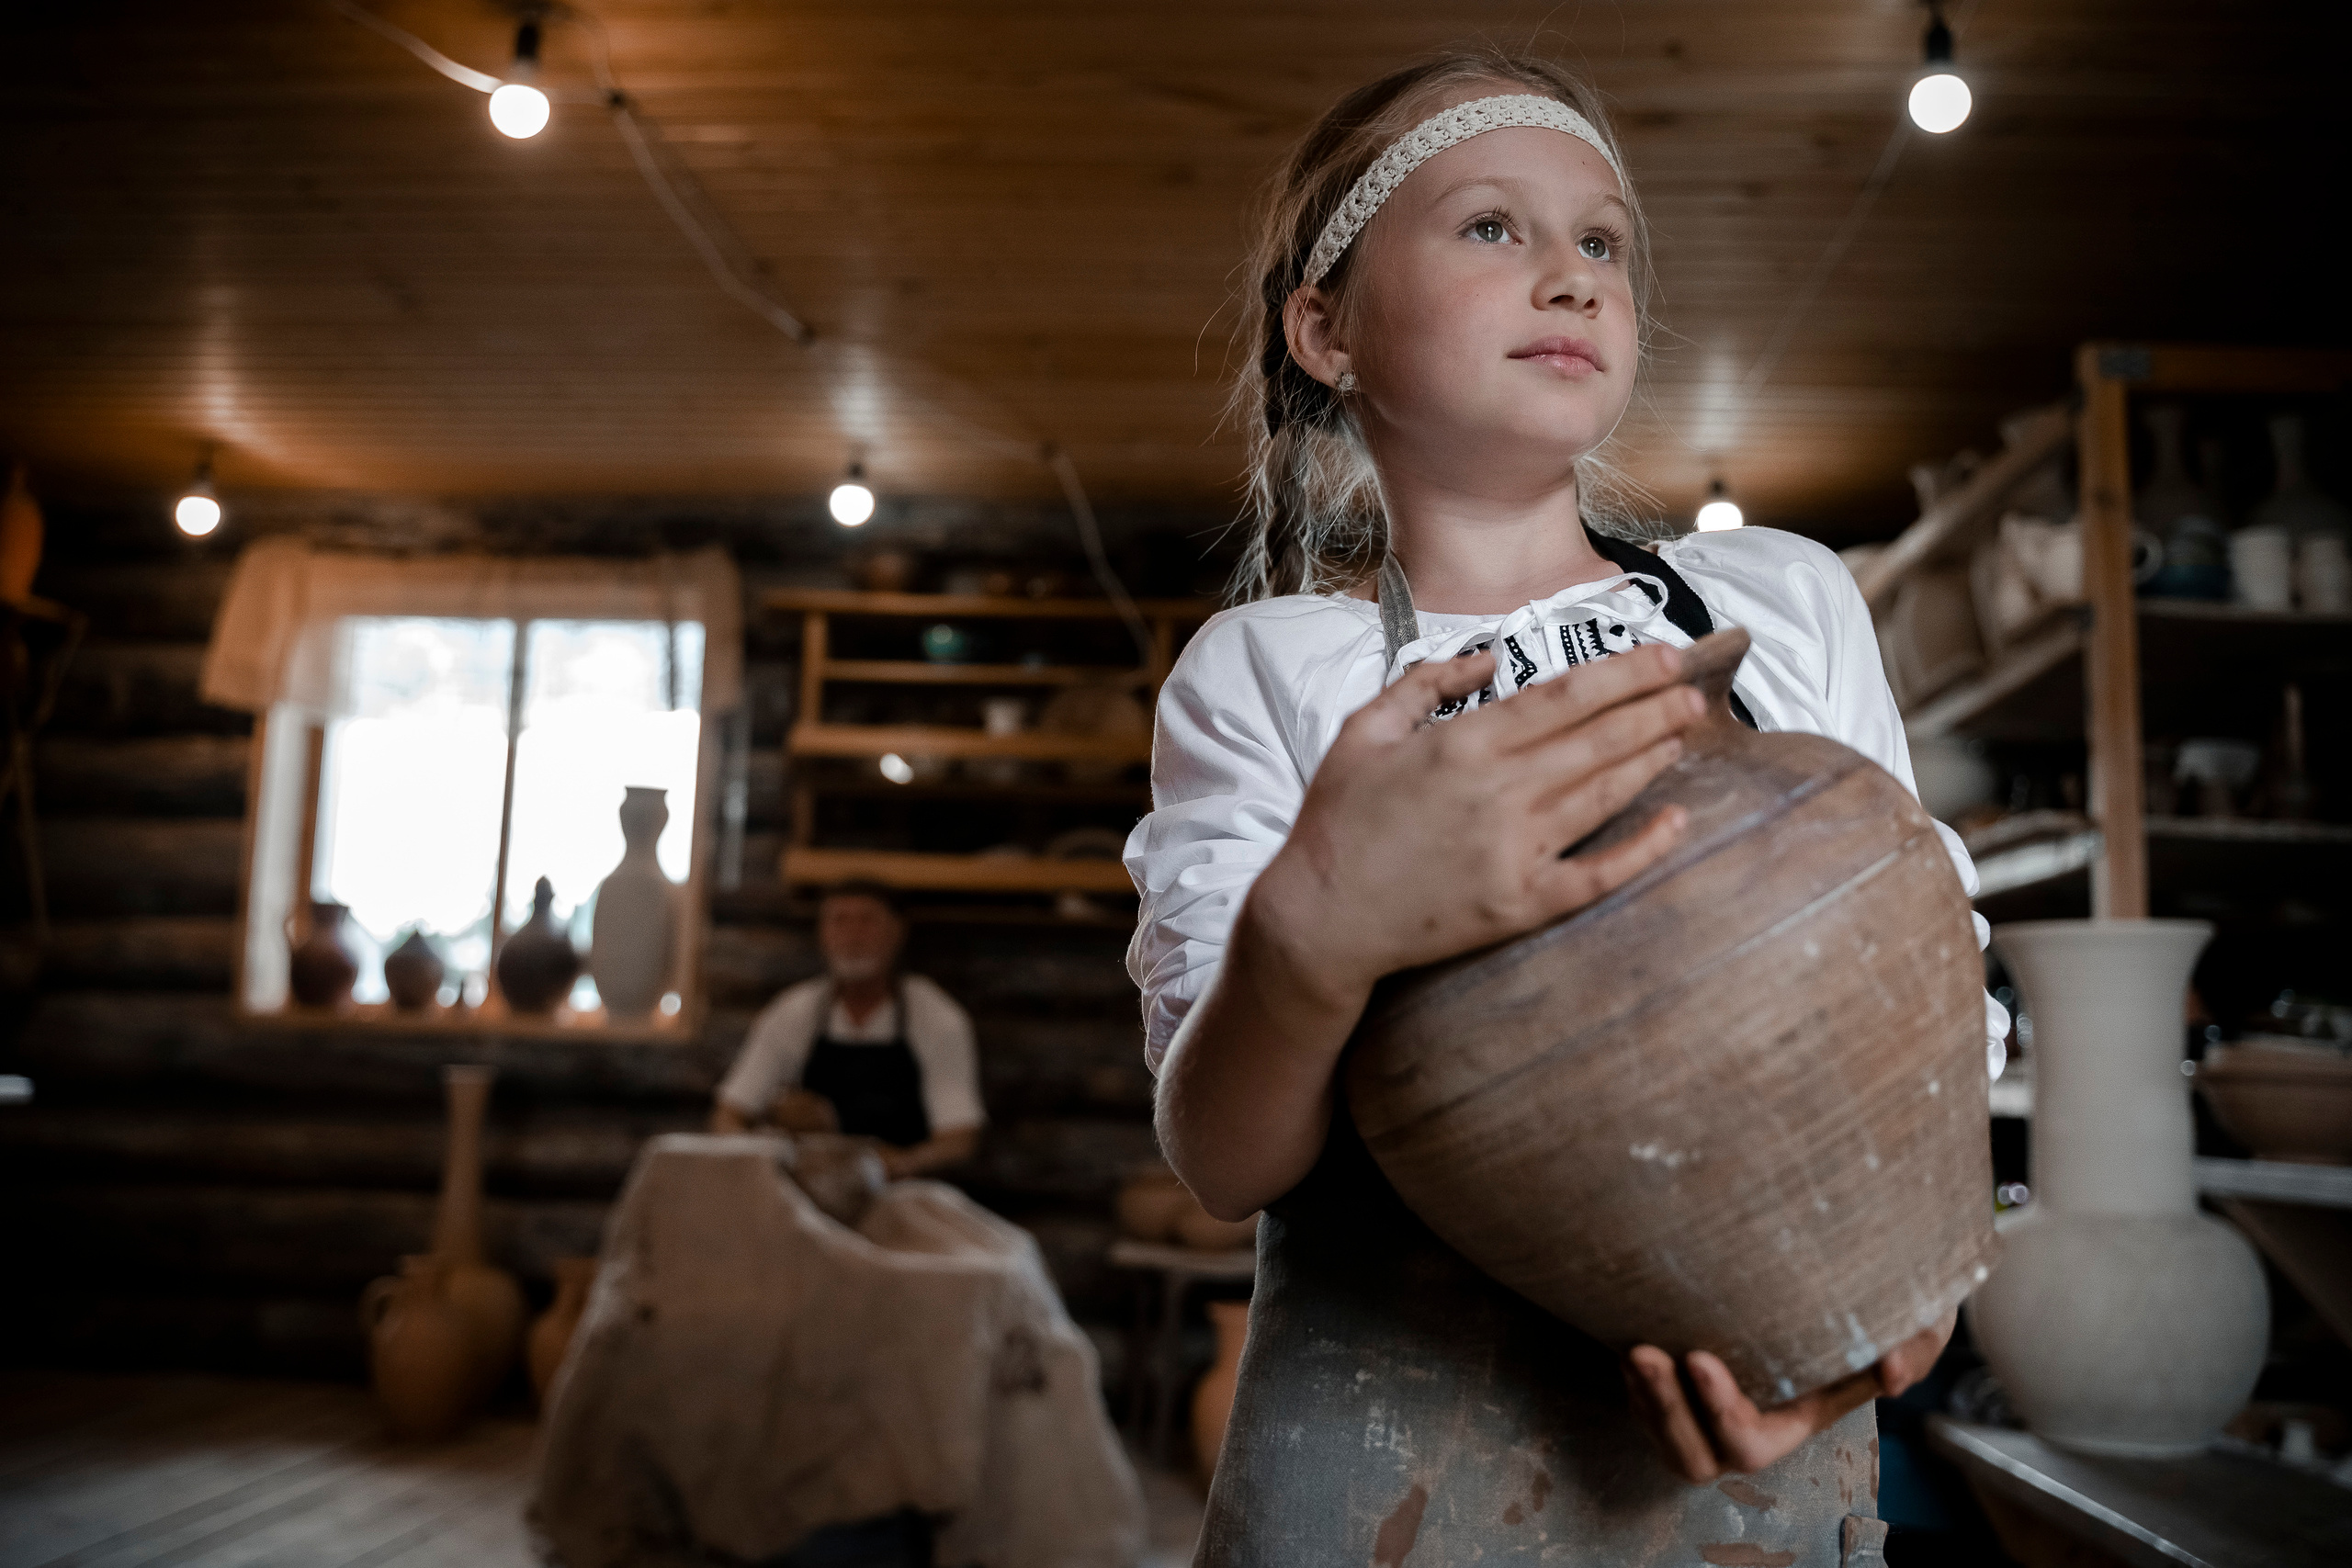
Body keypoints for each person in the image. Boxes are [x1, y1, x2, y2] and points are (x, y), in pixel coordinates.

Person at [1124, 48, 2010, 1563]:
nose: (1571, 277)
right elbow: (1225, 1153)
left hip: (1748, 1481)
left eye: (1600, 240)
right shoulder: (1272, 673)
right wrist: (1318, 930)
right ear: (1325, 328)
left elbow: (1923, 985)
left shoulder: (1782, 604)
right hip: (1377, 1492)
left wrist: (1893, 1323)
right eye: (1491, 227)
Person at [712, 883, 983, 1181]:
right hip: (811, 1192)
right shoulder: (795, 1012)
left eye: (867, 921)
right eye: (840, 920)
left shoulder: (934, 1016)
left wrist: (895, 1165)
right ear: (822, 933)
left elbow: (959, 1138)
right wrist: (770, 1154)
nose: (853, 935)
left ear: (897, 932)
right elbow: (729, 1114)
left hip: (900, 1192)